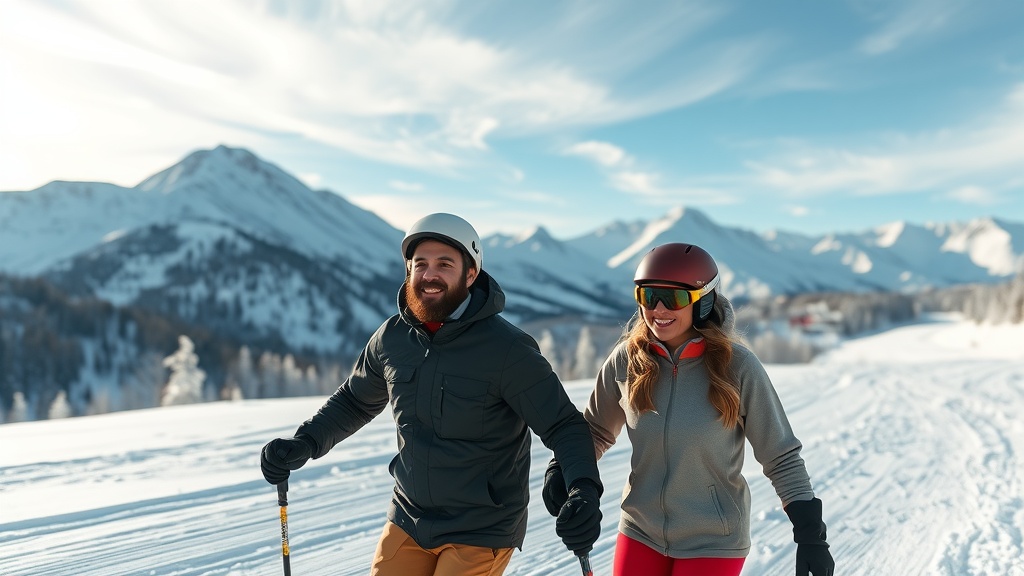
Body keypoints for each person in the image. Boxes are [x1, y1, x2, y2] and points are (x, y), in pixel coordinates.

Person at [260, 213, 603, 576]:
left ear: (471, 274)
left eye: (444, 264)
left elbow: (563, 425)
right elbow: (354, 401)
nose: (429, 274)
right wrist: (306, 441)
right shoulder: (392, 338)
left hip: (481, 526)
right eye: (420, 264)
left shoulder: (507, 350)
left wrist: (582, 488)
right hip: (410, 515)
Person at [543, 243, 835, 576]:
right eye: (649, 295)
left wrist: (811, 534)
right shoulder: (626, 361)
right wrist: (563, 468)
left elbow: (780, 456)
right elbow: (594, 431)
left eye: (675, 298)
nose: (659, 309)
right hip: (640, 530)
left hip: (713, 540)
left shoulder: (738, 368)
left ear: (703, 301)